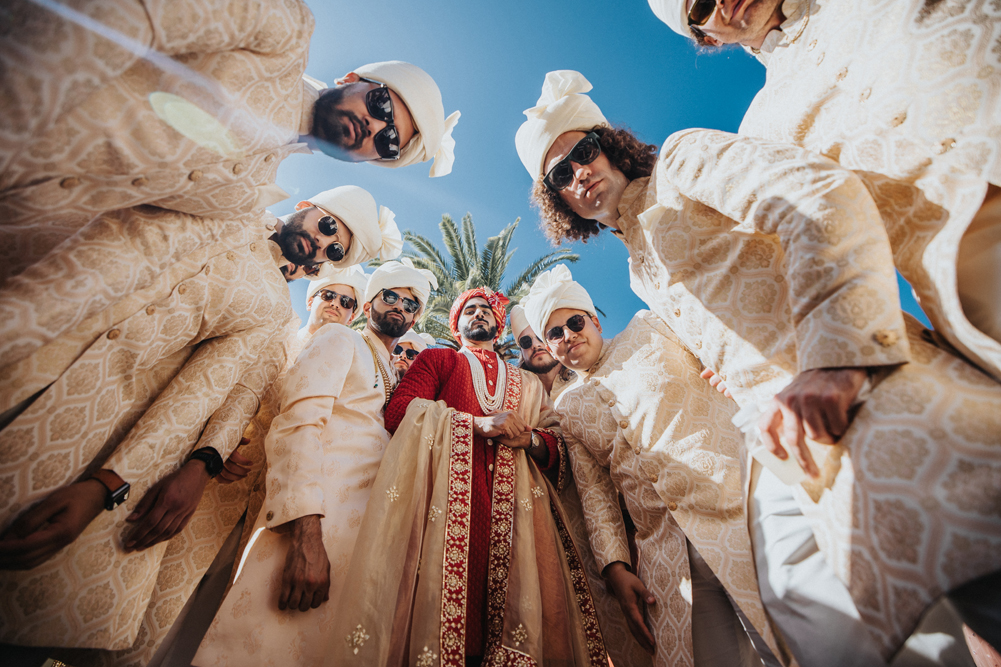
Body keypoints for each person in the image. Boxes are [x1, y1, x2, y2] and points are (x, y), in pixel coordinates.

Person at [515, 70, 1001, 665]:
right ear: (558, 199)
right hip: (786, 444)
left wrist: (837, 359)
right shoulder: (639, 265)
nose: (579, 173)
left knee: (974, 586)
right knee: (828, 628)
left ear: (609, 143)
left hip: (859, 390)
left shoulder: (682, 162)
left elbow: (820, 196)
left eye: (583, 152)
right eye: (560, 175)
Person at [0, 186, 397, 664]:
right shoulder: (228, 208)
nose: (319, 244)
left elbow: (215, 390)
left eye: (335, 253)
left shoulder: (274, 312)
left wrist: (202, 458)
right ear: (304, 207)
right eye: (327, 226)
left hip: (158, 463)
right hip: (35, 350)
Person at [646, 0, 1001, 382]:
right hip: (977, 284)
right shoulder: (760, 133)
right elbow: (801, 254)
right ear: (708, 37)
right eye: (699, 6)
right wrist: (747, 361)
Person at [1, 0, 459, 285]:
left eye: (389, 142)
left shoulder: (249, 191)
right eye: (381, 106)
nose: (375, 128)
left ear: (369, 162)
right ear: (353, 79)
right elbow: (124, 13)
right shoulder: (280, 36)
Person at [325, 287, 607, 666]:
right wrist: (475, 423)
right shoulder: (438, 360)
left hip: (522, 518)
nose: (478, 314)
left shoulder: (526, 383)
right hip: (445, 512)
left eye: (486, 310)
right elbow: (400, 412)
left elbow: (557, 438)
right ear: (456, 327)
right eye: (469, 310)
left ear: (498, 327)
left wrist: (533, 440)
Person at [526, 265, 782, 667]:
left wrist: (740, 379)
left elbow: (722, 345)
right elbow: (596, 494)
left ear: (593, 319)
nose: (567, 336)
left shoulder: (651, 326)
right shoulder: (568, 408)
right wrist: (615, 566)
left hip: (742, 516)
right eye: (553, 333)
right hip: (667, 556)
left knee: (792, 646)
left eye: (574, 322)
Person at [192, 260, 436, 667]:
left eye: (410, 304)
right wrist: (306, 533)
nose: (399, 307)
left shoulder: (395, 378)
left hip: (353, 550)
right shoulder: (341, 339)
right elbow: (298, 425)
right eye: (390, 296)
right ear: (369, 304)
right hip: (307, 532)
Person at [509, 303, 570, 396]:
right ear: (521, 352)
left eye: (540, 337)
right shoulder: (515, 397)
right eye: (526, 341)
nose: (535, 345)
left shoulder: (585, 381)